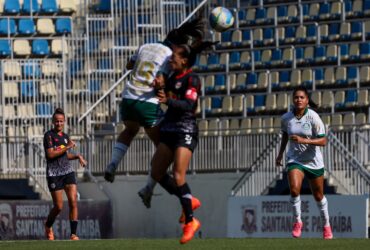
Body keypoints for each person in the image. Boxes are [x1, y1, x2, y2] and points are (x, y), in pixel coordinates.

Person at [103, 17, 207, 206]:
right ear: (177, 44)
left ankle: (112, 164)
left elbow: (129, 65)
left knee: (129, 131)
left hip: (127, 99)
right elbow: (160, 80)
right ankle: (152, 189)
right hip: (147, 103)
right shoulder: (169, 55)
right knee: (164, 148)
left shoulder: (146, 46)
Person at [148, 41, 213, 244]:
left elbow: (188, 104)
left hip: (185, 130)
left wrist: (167, 100)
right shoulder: (171, 77)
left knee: (178, 176)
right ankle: (189, 200)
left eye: (174, 57)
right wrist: (158, 88)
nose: (171, 59)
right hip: (169, 128)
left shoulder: (192, 79)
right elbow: (162, 95)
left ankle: (190, 222)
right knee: (157, 172)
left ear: (184, 61)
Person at [275, 86, 333, 239]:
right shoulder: (286, 118)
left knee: (319, 196)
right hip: (295, 159)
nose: (298, 100)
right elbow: (285, 135)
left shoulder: (313, 117)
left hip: (314, 161)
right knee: (294, 190)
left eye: (302, 97)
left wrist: (304, 140)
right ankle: (298, 222)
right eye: (296, 97)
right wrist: (280, 154)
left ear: (307, 101)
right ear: (293, 100)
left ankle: (326, 225)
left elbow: (323, 141)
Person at [43, 108, 87, 240]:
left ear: (64, 122)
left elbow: (64, 155)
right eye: (56, 121)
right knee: (58, 206)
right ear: (53, 122)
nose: (59, 124)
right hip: (54, 173)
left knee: (73, 201)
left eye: (61, 121)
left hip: (67, 171)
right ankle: (48, 225)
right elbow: (50, 154)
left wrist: (78, 156)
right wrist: (67, 147)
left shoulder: (65, 137)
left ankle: (73, 234)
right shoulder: (49, 136)